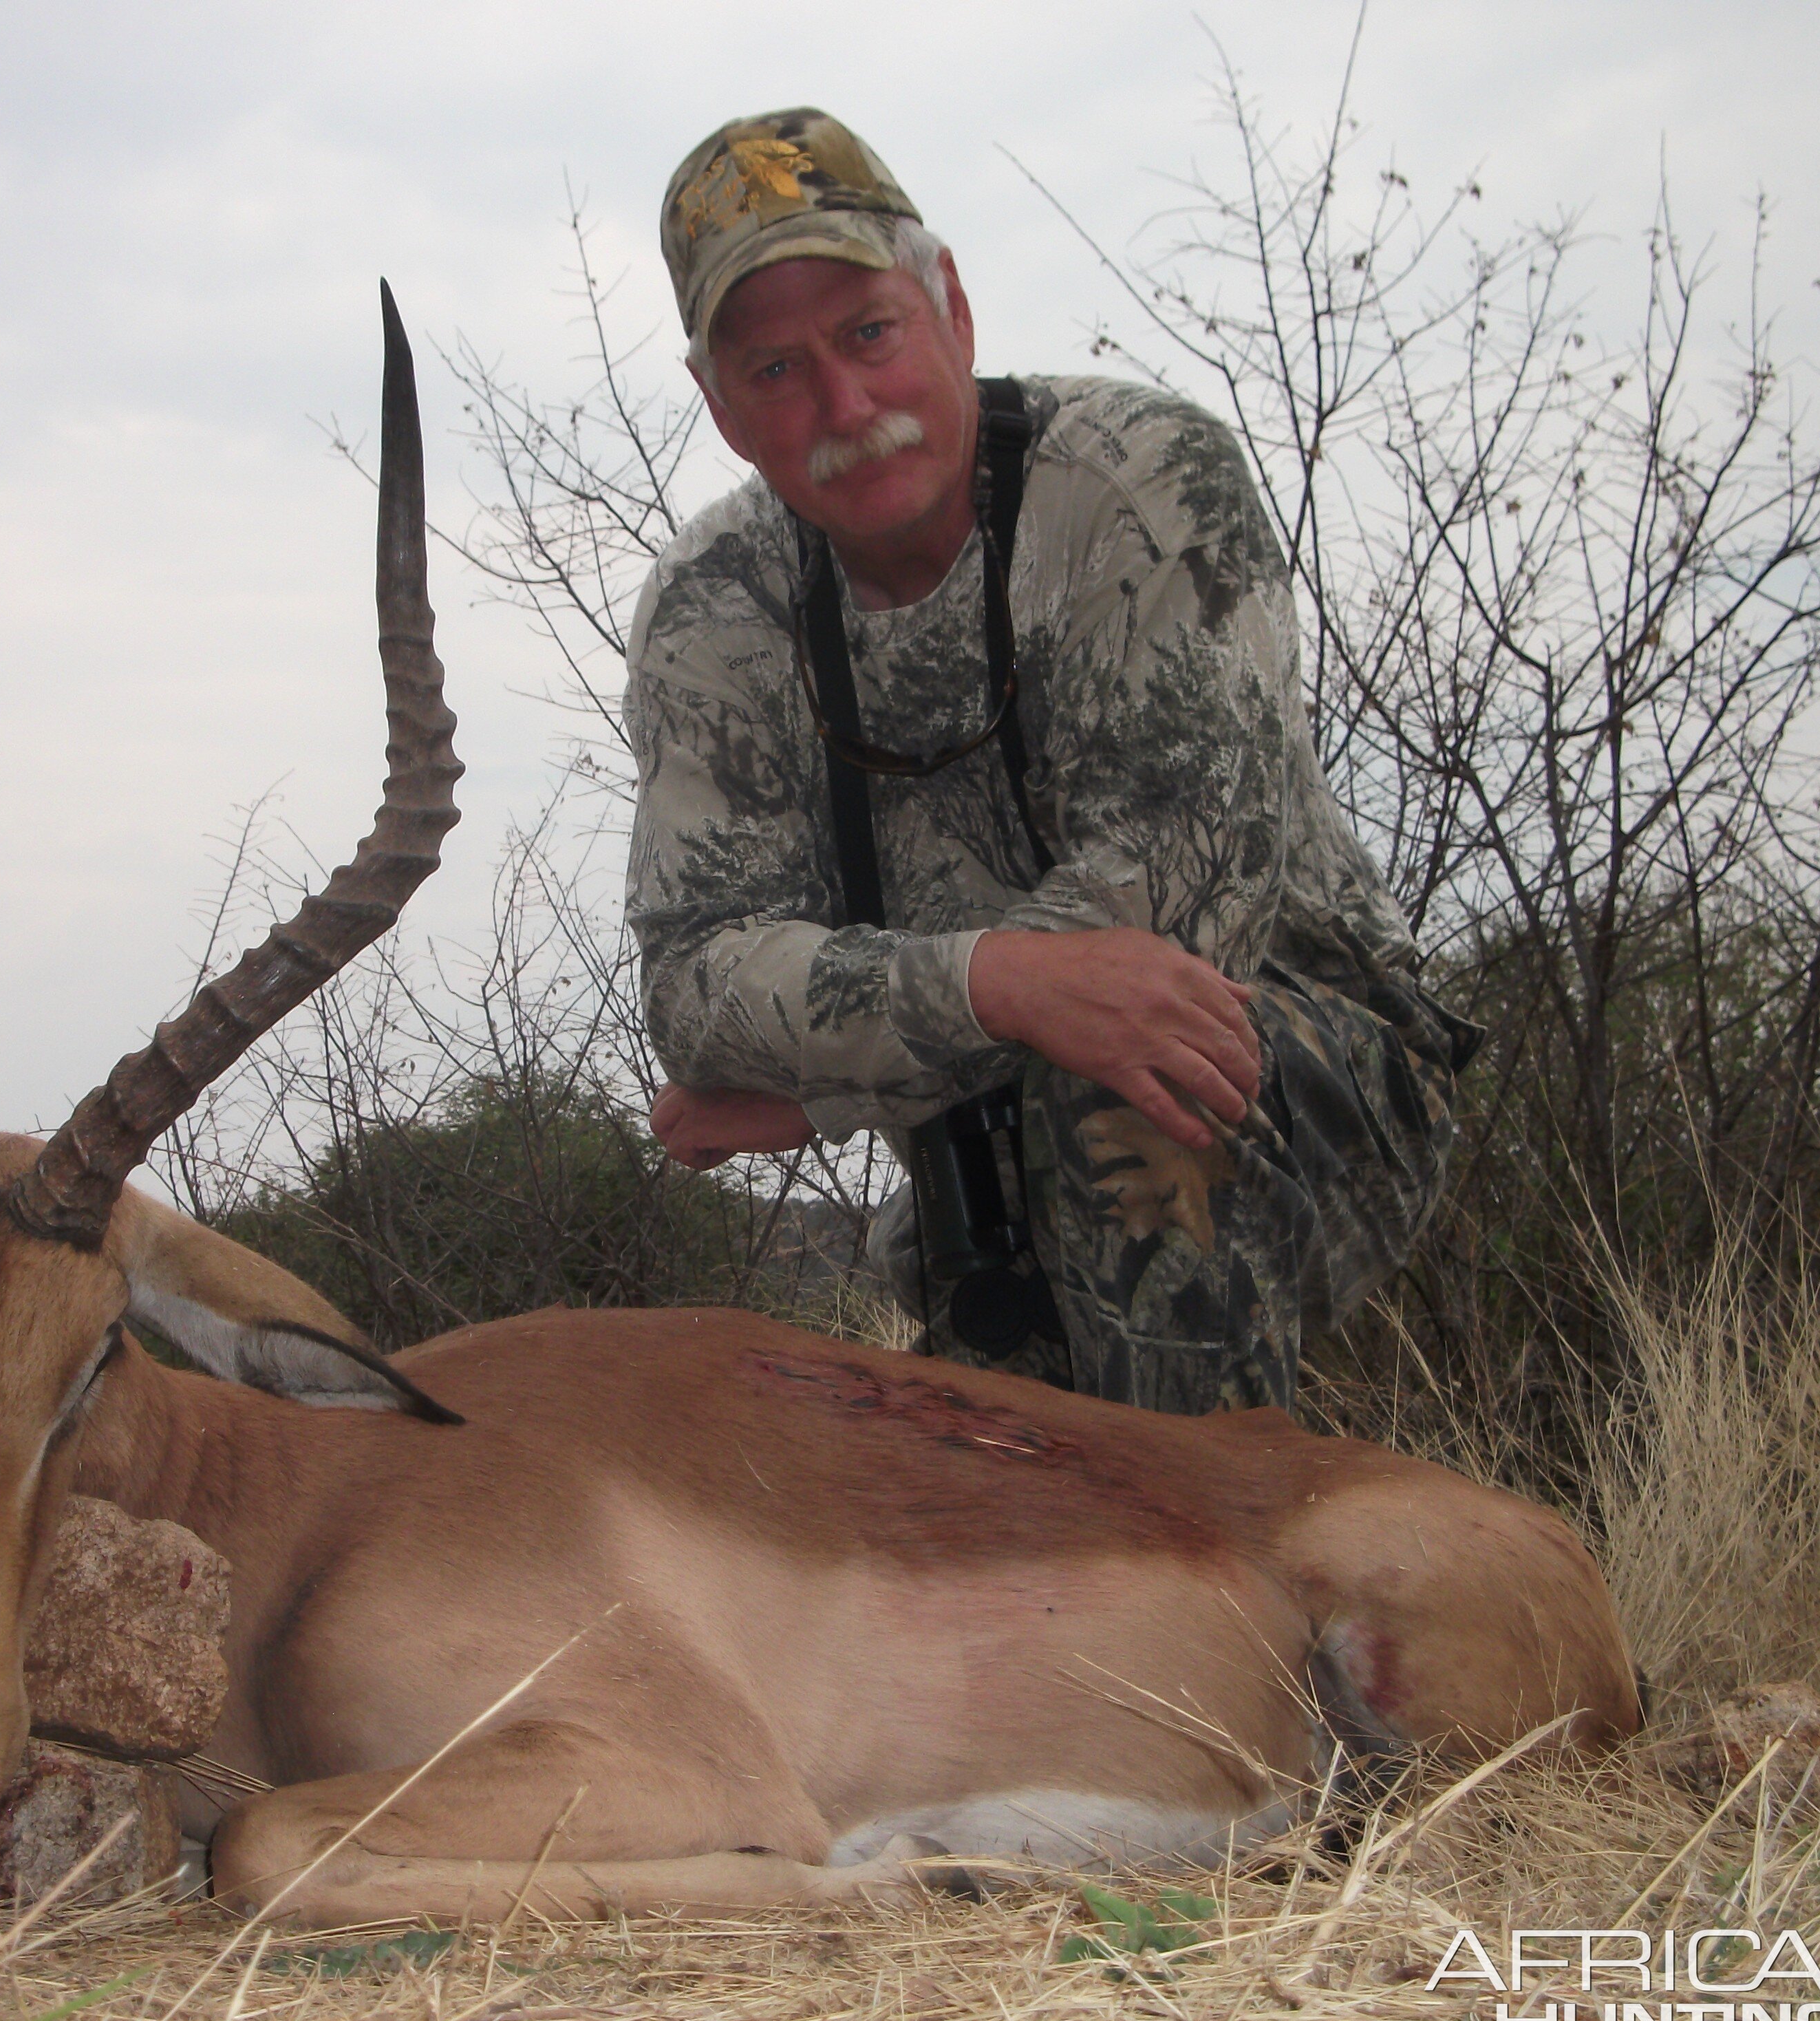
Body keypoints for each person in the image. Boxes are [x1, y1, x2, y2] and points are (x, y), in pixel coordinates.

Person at [626, 108, 1480, 1415]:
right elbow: (697, 991)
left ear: (950, 305)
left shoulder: (1142, 483)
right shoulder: (710, 609)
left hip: (1289, 1068)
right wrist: (990, 997)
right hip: (982, 1156)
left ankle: (1205, 1576)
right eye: (776, 371)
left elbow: (1160, 951)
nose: (847, 408)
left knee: (1124, 1079)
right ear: (721, 408)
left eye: (868, 334)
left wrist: (826, 1093)